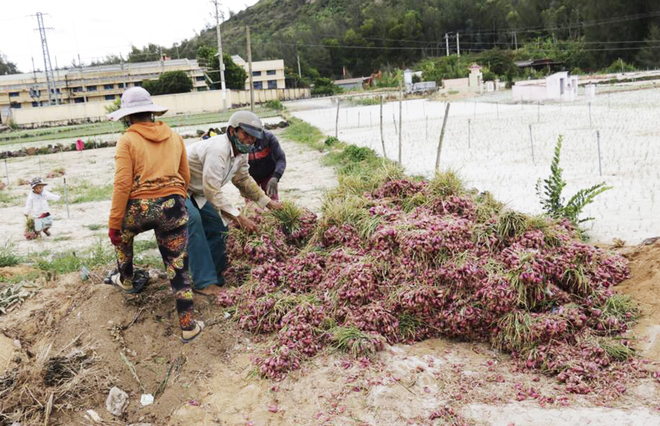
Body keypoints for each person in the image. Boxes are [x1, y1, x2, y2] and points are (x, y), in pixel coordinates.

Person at [106, 87, 203, 343]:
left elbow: (122, 184)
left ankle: (126, 279)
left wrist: (114, 224)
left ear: (128, 117)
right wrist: (177, 198)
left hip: (139, 208)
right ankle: (188, 326)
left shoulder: (127, 140)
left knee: (123, 237)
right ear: (151, 112)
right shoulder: (174, 136)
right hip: (172, 205)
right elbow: (185, 175)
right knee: (178, 266)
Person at [186, 110, 282, 297]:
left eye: (253, 137)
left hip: (197, 191)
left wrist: (268, 203)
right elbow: (212, 190)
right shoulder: (218, 150)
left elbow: (243, 180)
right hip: (178, 187)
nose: (250, 140)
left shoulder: (241, 152)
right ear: (232, 131)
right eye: (245, 134)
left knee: (218, 225)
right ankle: (203, 282)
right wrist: (239, 218)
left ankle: (215, 277)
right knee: (193, 222)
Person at [248, 129, 286, 201]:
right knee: (253, 205)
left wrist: (275, 177)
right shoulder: (241, 141)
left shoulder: (268, 138)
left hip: (268, 174)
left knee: (272, 202)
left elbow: (280, 158)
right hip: (249, 177)